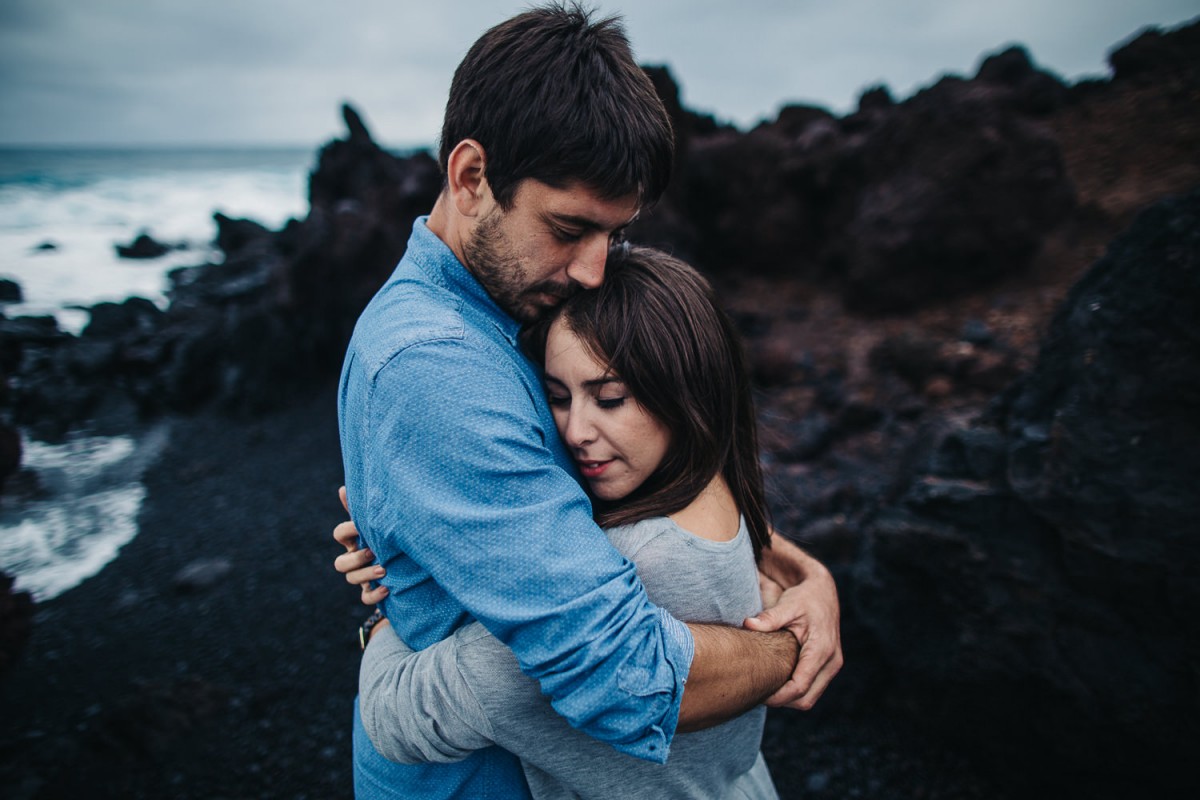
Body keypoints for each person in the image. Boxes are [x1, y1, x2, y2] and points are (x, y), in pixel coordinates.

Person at [336, 5, 842, 798]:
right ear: (471, 178)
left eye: (615, 232)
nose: (595, 270)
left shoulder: (511, 309)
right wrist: (792, 639)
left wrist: (801, 572)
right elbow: (628, 674)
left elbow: (655, 472)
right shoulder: (437, 368)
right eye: (570, 228)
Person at [341, 245, 786, 798]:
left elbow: (400, 717)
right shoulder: (713, 490)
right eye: (556, 396)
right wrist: (423, 521)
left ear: (686, 392)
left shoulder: (637, 565)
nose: (575, 430)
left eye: (610, 398)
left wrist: (389, 615)